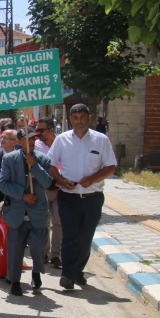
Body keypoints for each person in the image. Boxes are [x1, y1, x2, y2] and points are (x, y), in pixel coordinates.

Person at [48, 103, 117, 289]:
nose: (79, 121)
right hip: (68, 197)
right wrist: (61, 181)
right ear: (70, 120)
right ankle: (68, 275)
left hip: (92, 198)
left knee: (85, 237)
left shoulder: (101, 140)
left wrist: (93, 178)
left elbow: (111, 166)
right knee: (69, 236)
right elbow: (51, 165)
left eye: (82, 117)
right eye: (75, 118)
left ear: (89, 118)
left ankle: (78, 271)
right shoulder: (61, 140)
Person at [0, 126, 54, 295]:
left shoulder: (43, 159)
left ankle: (36, 272)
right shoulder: (9, 159)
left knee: (38, 245)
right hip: (16, 213)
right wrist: (22, 195)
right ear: (19, 142)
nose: (30, 142)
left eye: (33, 139)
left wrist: (35, 166)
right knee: (15, 248)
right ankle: (15, 281)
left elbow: (48, 183)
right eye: (27, 139)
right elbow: (3, 183)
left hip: (37, 213)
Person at [35, 117, 63, 268]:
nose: (38, 133)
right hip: (43, 189)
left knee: (59, 223)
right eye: (37, 130)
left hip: (61, 189)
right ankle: (44, 253)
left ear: (51, 130)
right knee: (44, 222)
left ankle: (56, 255)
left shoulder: (62, 143)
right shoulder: (36, 146)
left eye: (41, 130)